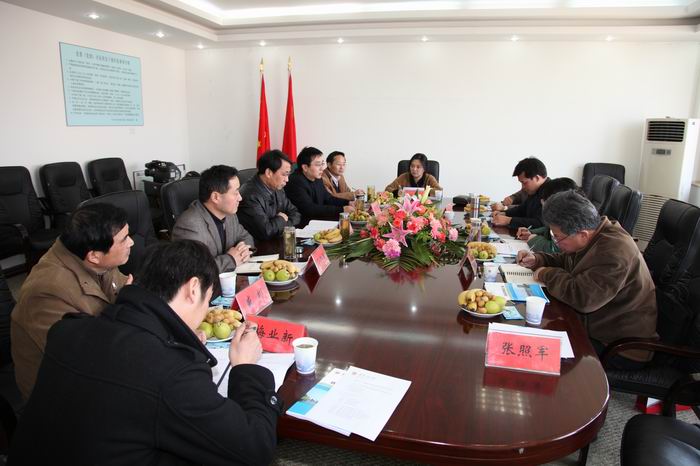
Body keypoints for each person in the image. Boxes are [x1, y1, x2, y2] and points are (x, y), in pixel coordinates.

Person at [8, 240, 282, 465]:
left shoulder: (67, 330)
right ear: (193, 288)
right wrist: (245, 367)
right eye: (207, 299)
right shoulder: (172, 373)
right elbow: (255, 448)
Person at [517, 191, 657, 369]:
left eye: (557, 237)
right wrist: (538, 259)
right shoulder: (594, 234)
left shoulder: (614, 252)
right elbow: (567, 261)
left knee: (535, 354)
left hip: (619, 346)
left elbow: (583, 298)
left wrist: (546, 273)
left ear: (582, 234)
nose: (556, 242)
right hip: (593, 327)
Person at [10, 203, 133, 400]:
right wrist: (127, 309)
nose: (131, 243)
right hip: (61, 393)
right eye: (124, 239)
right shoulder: (47, 292)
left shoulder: (99, 260)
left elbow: (121, 292)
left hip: (100, 362)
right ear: (94, 256)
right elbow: (85, 357)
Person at [172, 164, 254, 272]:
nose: (240, 198)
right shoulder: (189, 225)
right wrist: (231, 260)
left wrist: (243, 251)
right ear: (215, 197)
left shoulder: (229, 214)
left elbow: (246, 237)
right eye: (235, 193)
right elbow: (193, 269)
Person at [238, 150, 302, 241]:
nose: (287, 180)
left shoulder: (277, 188)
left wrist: (281, 224)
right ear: (268, 173)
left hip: (275, 241)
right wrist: (281, 219)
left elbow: (295, 214)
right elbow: (265, 232)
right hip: (257, 246)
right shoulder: (250, 196)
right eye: (284, 174)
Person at [285, 146, 352, 227]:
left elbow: (328, 198)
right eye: (318, 164)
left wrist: (348, 202)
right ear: (305, 167)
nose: (322, 168)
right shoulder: (295, 182)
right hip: (303, 226)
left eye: (322, 164)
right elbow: (310, 209)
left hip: (317, 221)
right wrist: (342, 210)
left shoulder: (317, 178)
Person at [514, 177, 584, 253]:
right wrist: (531, 232)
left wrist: (533, 239)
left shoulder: (572, 222)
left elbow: (554, 250)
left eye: (545, 202)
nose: (542, 203)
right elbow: (548, 229)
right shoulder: (561, 216)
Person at [491, 157, 549, 229]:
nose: (522, 187)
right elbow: (522, 209)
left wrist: (508, 220)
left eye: (524, 183)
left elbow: (540, 223)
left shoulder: (552, 193)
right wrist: (504, 213)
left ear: (537, 178)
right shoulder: (534, 190)